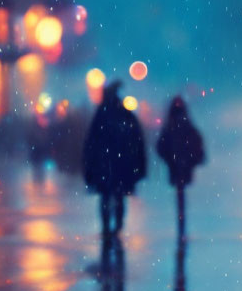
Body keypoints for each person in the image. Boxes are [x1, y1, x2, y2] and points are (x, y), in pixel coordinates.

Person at [82, 81, 146, 235]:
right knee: (118, 195)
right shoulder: (124, 114)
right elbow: (137, 140)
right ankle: (117, 226)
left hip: (104, 164)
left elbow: (91, 142)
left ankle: (107, 226)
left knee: (105, 196)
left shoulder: (101, 115)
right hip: (121, 164)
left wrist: (90, 165)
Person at [156, 96, 205, 237]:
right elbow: (196, 143)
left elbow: (161, 146)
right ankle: (182, 221)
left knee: (179, 192)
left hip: (176, 164)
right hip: (183, 164)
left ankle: (181, 221)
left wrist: (169, 158)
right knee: (181, 193)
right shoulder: (186, 124)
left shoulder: (170, 126)